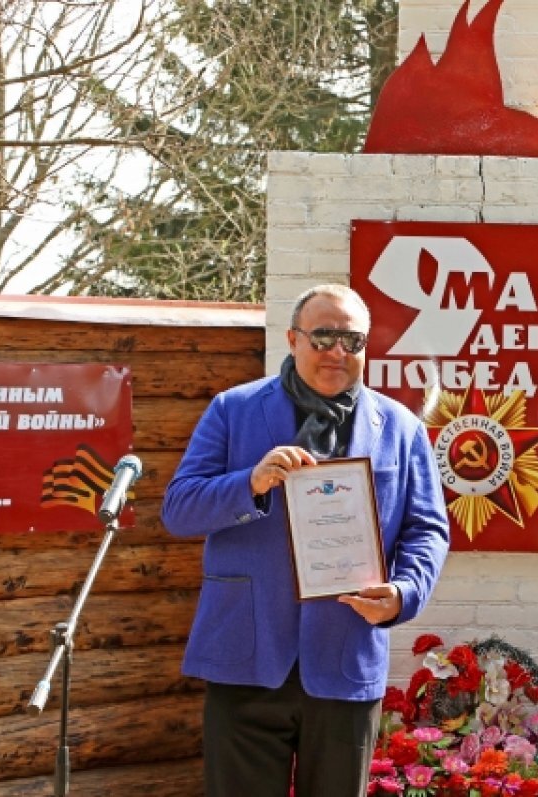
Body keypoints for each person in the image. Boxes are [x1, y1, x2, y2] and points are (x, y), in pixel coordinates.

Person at [161, 283, 450, 797]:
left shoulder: (401, 428)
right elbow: (179, 510)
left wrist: (404, 593)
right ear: (293, 339)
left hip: (346, 658)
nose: (337, 351)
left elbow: (427, 529)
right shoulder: (233, 409)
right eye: (323, 337)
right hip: (246, 655)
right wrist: (250, 483)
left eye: (352, 340)